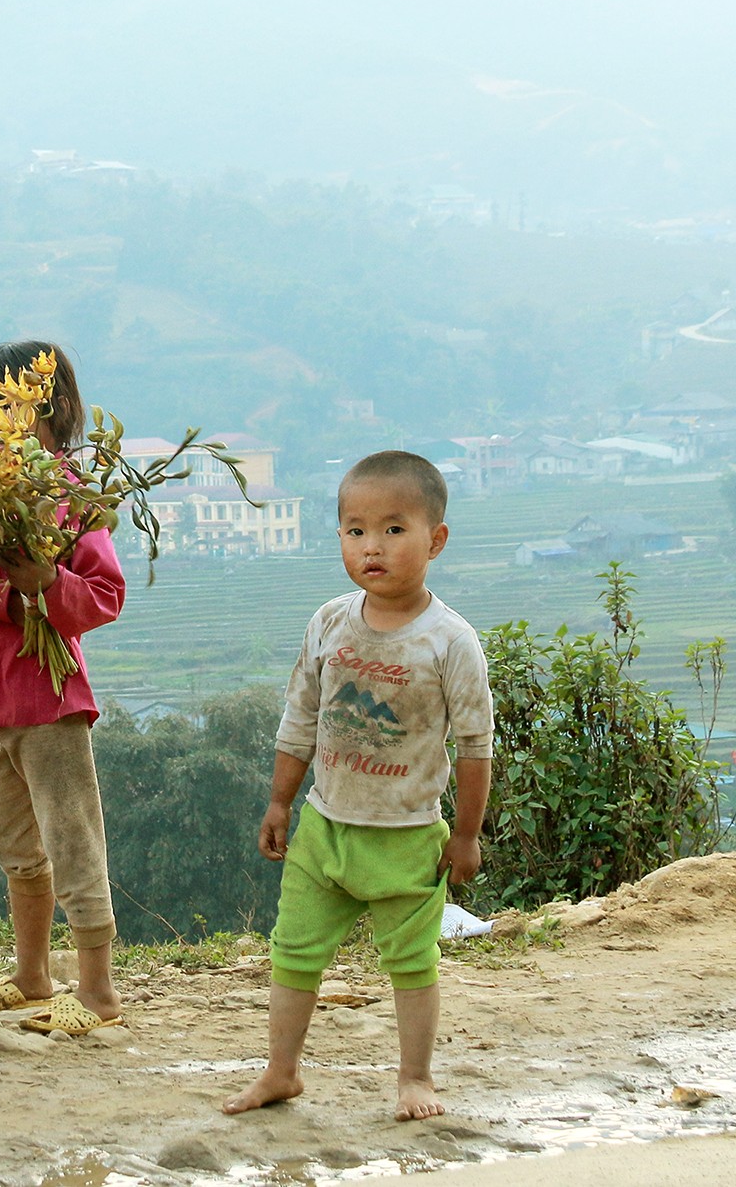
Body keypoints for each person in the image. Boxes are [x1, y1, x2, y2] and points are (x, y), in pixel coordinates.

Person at [223, 449, 493, 1122]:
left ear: (436, 540)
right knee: (294, 953)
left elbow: (475, 747)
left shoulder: (450, 642)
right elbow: (301, 719)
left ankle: (415, 1078)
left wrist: (465, 836)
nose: (373, 546)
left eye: (395, 530)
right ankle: (281, 1072)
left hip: (407, 835)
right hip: (326, 826)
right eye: (355, 529)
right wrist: (280, 801)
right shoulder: (330, 623)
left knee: (410, 964)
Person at [0, 341, 128, 1037]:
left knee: (73, 841)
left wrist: (43, 579)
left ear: (57, 411)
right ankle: (31, 973)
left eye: (13, 410)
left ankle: (97, 988)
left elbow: (103, 594)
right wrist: (8, 597)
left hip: (51, 700)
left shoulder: (73, 497)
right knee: (13, 843)